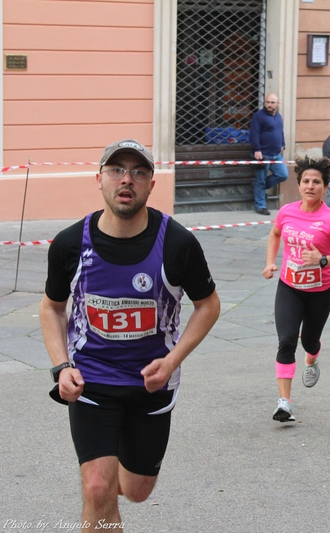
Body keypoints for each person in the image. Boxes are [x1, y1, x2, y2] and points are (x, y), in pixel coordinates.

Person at [39, 139, 221, 532]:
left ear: (151, 185)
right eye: (116, 170)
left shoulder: (177, 243)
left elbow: (209, 305)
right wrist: (61, 367)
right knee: (98, 487)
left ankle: (112, 480)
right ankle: (101, 496)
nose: (127, 180)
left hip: (151, 386)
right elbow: (52, 307)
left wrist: (172, 361)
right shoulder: (70, 244)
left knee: (136, 490)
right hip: (92, 380)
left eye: (138, 172)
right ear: (99, 179)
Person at [263, 156, 330, 422]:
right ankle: (284, 403)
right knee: (286, 341)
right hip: (289, 286)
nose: (310, 186)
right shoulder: (287, 212)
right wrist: (271, 262)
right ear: (299, 185)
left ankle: (312, 356)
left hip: (319, 291)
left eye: (316, 182)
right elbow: (274, 234)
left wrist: (324, 259)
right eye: (305, 181)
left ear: (325, 187)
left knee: (308, 341)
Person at [249, 93, 289, 216]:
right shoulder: (258, 116)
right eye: (267, 102)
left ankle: (258, 188)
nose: (269, 105)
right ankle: (260, 206)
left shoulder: (278, 116)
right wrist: (257, 150)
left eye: (272, 103)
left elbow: (280, 131)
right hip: (263, 154)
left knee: (283, 174)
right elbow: (254, 133)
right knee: (260, 180)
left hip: (276, 154)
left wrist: (282, 144)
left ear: (278, 104)